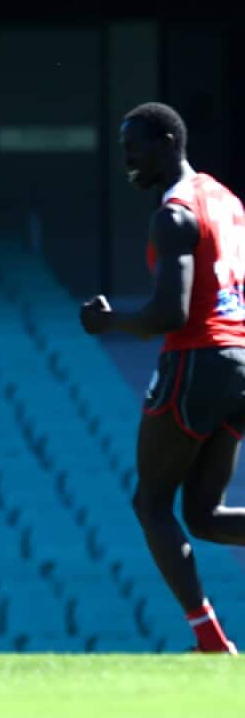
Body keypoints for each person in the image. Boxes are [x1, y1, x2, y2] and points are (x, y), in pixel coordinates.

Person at [81, 101, 245, 654]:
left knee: (151, 504)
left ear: (168, 142)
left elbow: (171, 313)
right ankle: (210, 639)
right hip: (240, 358)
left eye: (135, 148)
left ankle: (209, 642)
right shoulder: (228, 200)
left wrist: (110, 322)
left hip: (198, 359)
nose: (127, 160)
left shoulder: (173, 214)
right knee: (203, 515)